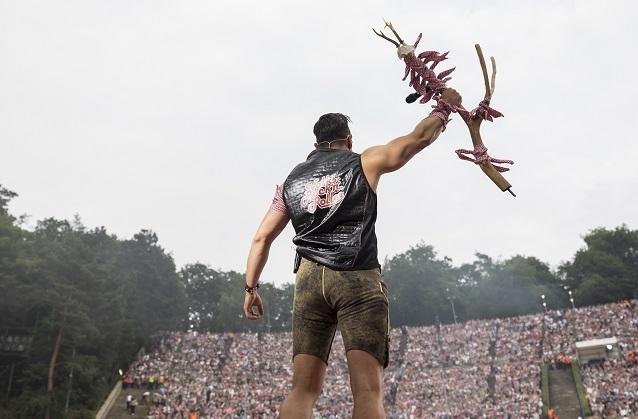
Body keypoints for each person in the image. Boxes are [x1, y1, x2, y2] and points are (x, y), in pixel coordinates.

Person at [242, 88, 462, 419]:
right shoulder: (363, 161)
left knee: (302, 391)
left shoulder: (289, 184)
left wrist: (251, 288)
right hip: (356, 275)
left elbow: (261, 239)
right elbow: (416, 140)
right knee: (367, 392)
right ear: (348, 139)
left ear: (315, 144)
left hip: (308, 281)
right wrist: (444, 110)